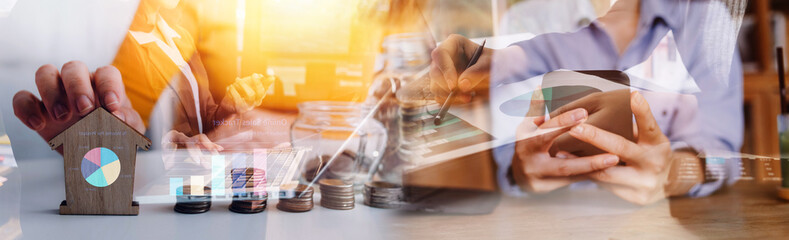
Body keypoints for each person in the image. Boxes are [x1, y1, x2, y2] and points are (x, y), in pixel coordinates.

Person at [429, 0, 744, 204]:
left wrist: (674, 173)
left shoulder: (702, 14)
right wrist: (522, 171)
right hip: (552, 225)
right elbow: (511, 168)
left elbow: (723, 158)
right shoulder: (524, 20)